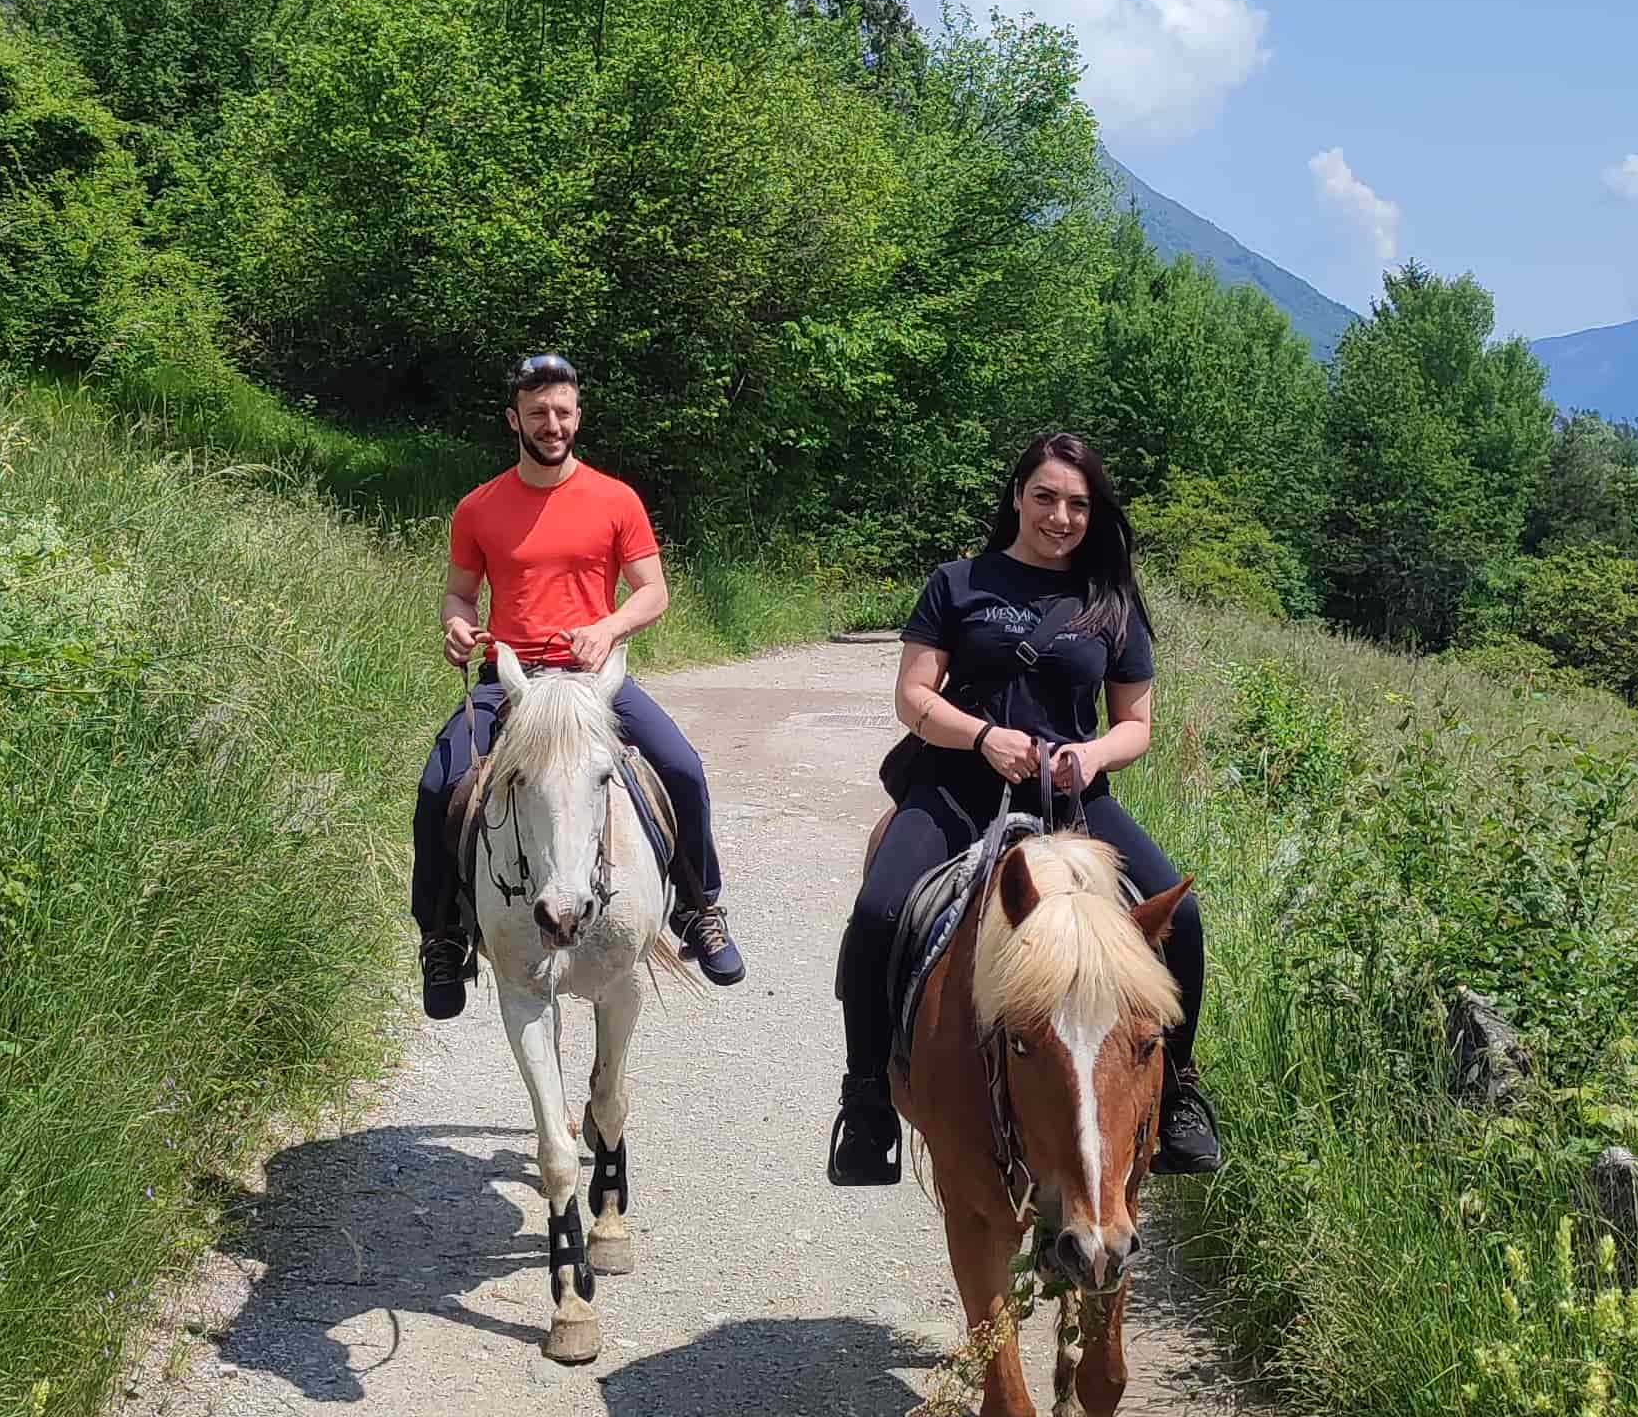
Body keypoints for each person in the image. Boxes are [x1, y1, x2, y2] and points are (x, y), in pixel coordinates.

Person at [826, 428, 1219, 1189]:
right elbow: (913, 697)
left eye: (1077, 503)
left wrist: (1091, 755)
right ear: (1016, 497)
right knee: (878, 911)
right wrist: (981, 738)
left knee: (1186, 919)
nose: (1060, 516)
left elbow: (1136, 724)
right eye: (1045, 497)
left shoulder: (1111, 601)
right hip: (954, 786)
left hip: (1072, 796)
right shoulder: (959, 582)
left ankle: (1178, 1096)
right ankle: (868, 1096)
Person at [413, 351, 748, 1018]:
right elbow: (458, 595)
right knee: (437, 786)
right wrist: (457, 627)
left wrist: (609, 626)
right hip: (510, 682)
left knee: (681, 766)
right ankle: (443, 937)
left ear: (577, 415)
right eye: (538, 412)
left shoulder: (614, 499)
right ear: (515, 418)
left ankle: (699, 908)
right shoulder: (479, 507)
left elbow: (653, 591)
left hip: (593, 682)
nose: (552, 423)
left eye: (562, 411)